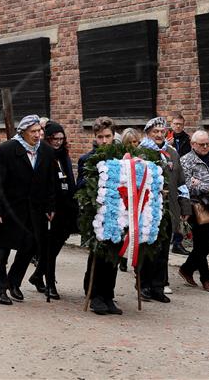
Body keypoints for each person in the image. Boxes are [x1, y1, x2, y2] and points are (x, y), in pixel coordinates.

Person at [0, 114, 56, 305]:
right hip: (8, 208)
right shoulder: (6, 150)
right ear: (23, 132)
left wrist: (50, 206)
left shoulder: (46, 152)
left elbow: (51, 182)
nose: (37, 135)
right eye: (33, 131)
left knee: (30, 246)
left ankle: (13, 282)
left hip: (34, 210)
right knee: (0, 251)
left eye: (39, 131)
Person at [139, 116, 191, 303]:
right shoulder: (141, 153)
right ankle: (144, 285)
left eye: (162, 132)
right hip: (149, 208)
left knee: (163, 249)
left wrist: (185, 206)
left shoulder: (172, 153)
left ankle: (158, 286)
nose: (159, 135)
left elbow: (181, 182)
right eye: (155, 132)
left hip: (170, 208)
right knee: (149, 248)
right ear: (148, 133)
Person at [78, 116, 124, 314]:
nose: (104, 141)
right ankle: (96, 294)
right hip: (97, 215)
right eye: (100, 137)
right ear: (94, 137)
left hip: (118, 213)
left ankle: (108, 295)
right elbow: (79, 187)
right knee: (98, 254)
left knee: (114, 253)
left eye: (108, 136)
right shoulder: (87, 159)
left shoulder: (122, 159)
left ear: (114, 136)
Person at [27, 121, 76, 300]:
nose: (58, 142)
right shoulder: (44, 155)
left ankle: (38, 275)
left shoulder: (64, 155)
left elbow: (69, 179)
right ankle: (49, 282)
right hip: (51, 208)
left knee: (54, 248)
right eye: (54, 139)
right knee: (49, 247)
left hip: (66, 207)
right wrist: (49, 205)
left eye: (61, 139)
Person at [179, 130, 209, 292]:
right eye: (202, 144)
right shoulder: (186, 161)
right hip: (195, 205)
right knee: (201, 243)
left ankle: (186, 269)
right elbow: (186, 184)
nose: (206, 147)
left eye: (208, 143)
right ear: (193, 144)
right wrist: (207, 187)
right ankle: (207, 279)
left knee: (208, 244)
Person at [168, 111, 192, 255]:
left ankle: (177, 242)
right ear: (171, 124)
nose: (177, 127)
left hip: (182, 177)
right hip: (169, 178)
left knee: (181, 209)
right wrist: (167, 145)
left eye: (180, 125)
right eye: (175, 124)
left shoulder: (187, 140)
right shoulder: (165, 138)